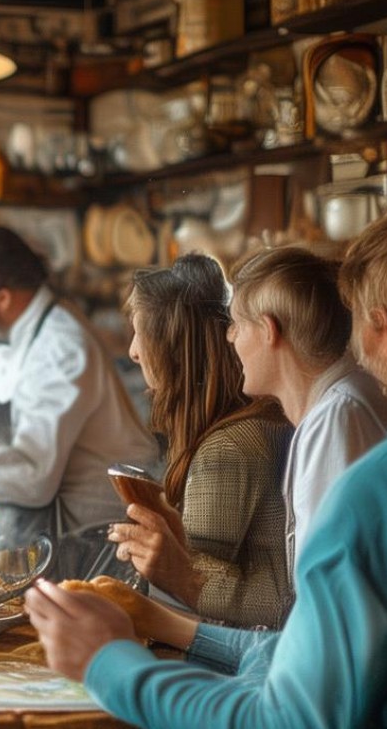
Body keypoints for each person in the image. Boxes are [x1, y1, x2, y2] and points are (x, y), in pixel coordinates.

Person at [27, 205, 387, 727]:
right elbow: (305, 653)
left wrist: (109, 664)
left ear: (377, 325)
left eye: (352, 313)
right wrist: (166, 625)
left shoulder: (383, 489)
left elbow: (291, 717)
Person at [0, 225, 157, 548]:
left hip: (99, 543)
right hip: (43, 535)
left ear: (2, 297)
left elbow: (33, 476)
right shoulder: (3, 344)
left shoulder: (61, 345)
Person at [113, 254, 294, 628]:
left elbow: (276, 602)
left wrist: (169, 563)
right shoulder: (250, 423)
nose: (132, 350)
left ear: (174, 349)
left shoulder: (228, 449)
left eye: (139, 333)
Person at [227, 245, 387, 577]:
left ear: (268, 330)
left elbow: (332, 583)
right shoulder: (340, 404)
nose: (230, 338)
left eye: (236, 324)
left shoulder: (337, 417)